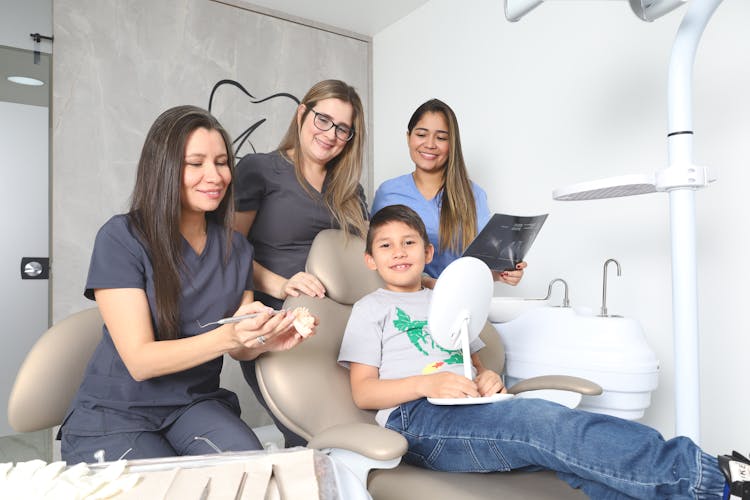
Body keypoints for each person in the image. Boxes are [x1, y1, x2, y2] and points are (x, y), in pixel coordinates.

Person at [338, 204, 750, 500]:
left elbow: (471, 359)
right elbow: (364, 392)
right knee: (542, 422)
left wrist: (485, 376)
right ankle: (714, 478)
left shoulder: (447, 298)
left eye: (410, 242)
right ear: (370, 260)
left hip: (470, 404)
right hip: (417, 419)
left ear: (428, 254)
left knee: (580, 461)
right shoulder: (370, 308)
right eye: (387, 246)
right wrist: (428, 383)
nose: (399, 252)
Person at [59, 105, 311, 464]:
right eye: (195, 163)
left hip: (192, 405)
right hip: (117, 412)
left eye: (222, 162)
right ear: (163, 167)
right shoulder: (121, 237)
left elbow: (239, 342)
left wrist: (264, 339)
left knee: (250, 469)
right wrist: (230, 337)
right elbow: (140, 361)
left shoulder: (236, 247)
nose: (215, 175)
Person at [232, 79, 368, 446]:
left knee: (360, 433)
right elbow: (229, 250)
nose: (331, 134)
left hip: (344, 329)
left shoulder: (350, 191)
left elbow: (365, 258)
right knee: (308, 435)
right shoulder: (259, 170)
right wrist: (280, 284)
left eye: (343, 128)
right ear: (302, 114)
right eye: (323, 119)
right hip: (281, 321)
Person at [371, 98, 526, 289]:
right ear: (408, 137)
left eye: (441, 138)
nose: (430, 144)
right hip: (406, 301)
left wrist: (504, 273)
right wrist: (428, 283)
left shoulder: (474, 195)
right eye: (421, 134)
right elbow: (376, 258)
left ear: (452, 144)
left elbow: (483, 263)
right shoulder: (388, 193)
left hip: (461, 299)